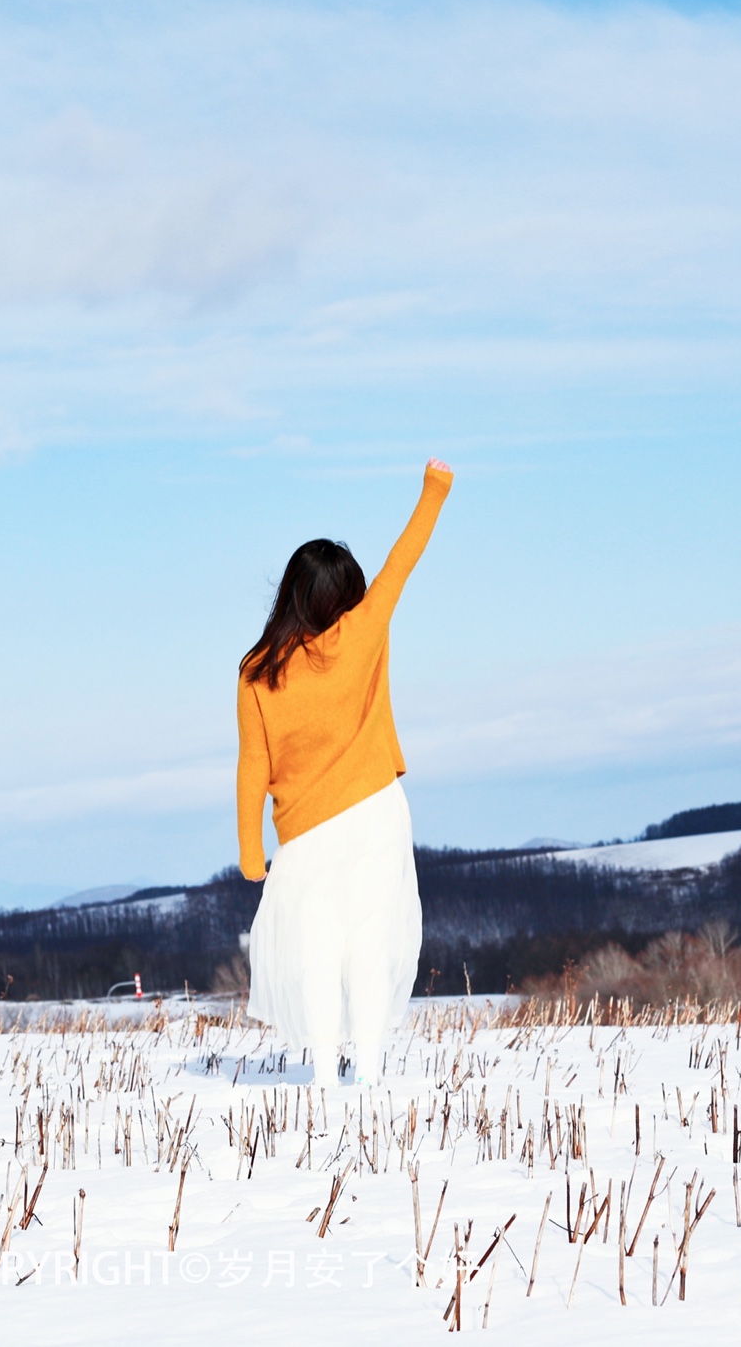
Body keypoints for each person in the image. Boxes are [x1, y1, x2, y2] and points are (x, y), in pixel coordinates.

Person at [235, 458, 453, 1087]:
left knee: (318, 953)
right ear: (346, 594)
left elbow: (253, 764)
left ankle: (326, 1079)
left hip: (307, 835)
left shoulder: (257, 671)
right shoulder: (363, 630)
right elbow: (404, 558)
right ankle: (372, 1074)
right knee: (371, 942)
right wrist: (434, 489)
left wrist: (253, 850)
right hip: (376, 813)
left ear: (291, 593)